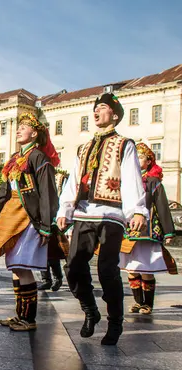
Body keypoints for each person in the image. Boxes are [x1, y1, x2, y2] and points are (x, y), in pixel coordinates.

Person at [57, 93, 148, 345]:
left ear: (115, 115)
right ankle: (90, 310)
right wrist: (65, 210)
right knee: (73, 266)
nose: (96, 112)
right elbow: (73, 180)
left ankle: (115, 323)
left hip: (112, 215)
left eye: (103, 108)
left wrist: (137, 210)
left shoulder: (124, 144)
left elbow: (131, 178)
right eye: (95, 108)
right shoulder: (83, 147)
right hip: (85, 214)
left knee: (107, 270)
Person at [0, 113, 60, 331]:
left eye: (23, 127)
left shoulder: (38, 157)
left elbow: (47, 193)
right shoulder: (13, 159)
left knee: (23, 265)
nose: (18, 130)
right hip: (12, 212)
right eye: (18, 127)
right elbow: (4, 191)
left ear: (35, 133)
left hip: (29, 216)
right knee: (16, 268)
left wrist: (46, 225)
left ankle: (29, 318)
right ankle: (20, 315)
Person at [120, 143, 177, 314]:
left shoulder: (153, 182)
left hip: (147, 230)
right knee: (131, 268)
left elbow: (162, 206)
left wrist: (168, 231)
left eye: (141, 157)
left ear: (149, 161)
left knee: (145, 267)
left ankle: (148, 304)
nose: (137, 160)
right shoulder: (128, 180)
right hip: (129, 229)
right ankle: (138, 301)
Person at [38, 168, 70, 291]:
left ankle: (57, 278)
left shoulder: (60, 179)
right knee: (41, 253)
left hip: (53, 221)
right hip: (40, 220)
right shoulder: (38, 178)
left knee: (53, 254)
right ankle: (46, 279)